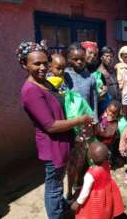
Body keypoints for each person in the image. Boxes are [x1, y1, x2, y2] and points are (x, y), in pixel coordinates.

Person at [16, 41, 92, 219]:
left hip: (62, 142)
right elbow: (50, 125)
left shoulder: (45, 83)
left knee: (57, 182)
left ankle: (60, 209)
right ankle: (56, 215)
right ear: (24, 65)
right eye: (36, 63)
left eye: (45, 62)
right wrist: (81, 119)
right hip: (52, 146)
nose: (43, 67)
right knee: (54, 187)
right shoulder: (31, 91)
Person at [71, 142, 124, 219]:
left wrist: (78, 202)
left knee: (94, 214)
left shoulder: (90, 175)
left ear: (91, 159)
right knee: (106, 209)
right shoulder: (106, 164)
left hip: (96, 198)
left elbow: (85, 192)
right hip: (107, 192)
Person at [64, 42, 98, 123]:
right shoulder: (65, 75)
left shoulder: (90, 78)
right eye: (75, 59)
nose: (79, 62)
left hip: (86, 121)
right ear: (69, 59)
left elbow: (94, 103)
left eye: (82, 59)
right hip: (69, 121)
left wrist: (95, 121)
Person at [95, 100, 122, 167]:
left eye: (114, 113)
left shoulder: (116, 120)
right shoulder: (102, 116)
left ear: (117, 113)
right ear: (107, 109)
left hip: (109, 142)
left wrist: (111, 121)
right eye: (110, 111)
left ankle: (107, 165)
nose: (111, 114)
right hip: (100, 140)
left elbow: (112, 131)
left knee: (108, 153)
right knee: (100, 153)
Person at [96, 46, 121, 113]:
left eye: (111, 56)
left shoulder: (113, 70)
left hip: (116, 106)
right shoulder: (99, 73)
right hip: (106, 108)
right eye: (107, 56)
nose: (109, 58)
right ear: (101, 58)